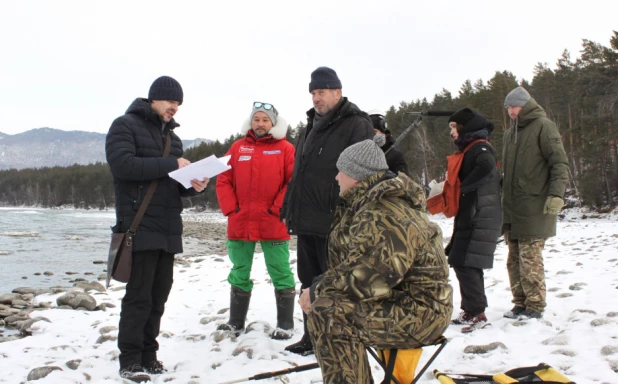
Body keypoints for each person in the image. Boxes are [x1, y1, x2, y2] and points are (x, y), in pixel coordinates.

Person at [299, 139, 453, 384]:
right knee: (327, 304)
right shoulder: (367, 204)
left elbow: (373, 276)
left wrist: (318, 289)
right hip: (397, 301)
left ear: (357, 175)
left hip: (421, 312)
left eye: (342, 171)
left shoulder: (385, 211)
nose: (337, 177)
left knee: (329, 314)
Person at [106, 76, 208, 383]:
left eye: (178, 103)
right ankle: (130, 360)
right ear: (154, 99)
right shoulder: (124, 125)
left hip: (168, 228)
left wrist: (195, 185)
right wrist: (172, 165)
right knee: (138, 298)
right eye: (170, 102)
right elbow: (123, 166)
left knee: (158, 297)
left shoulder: (173, 140)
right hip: (138, 226)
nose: (175, 108)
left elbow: (172, 185)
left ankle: (149, 356)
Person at [281, 66, 374, 355]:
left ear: (338, 91)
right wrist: (289, 206)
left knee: (334, 282)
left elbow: (363, 174)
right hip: (306, 218)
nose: (316, 98)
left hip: (335, 220)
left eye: (321, 92)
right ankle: (312, 337)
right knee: (308, 280)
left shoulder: (356, 123)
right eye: (312, 93)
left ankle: (338, 338)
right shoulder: (311, 124)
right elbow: (300, 171)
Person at [215, 102, 296, 340]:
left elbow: (291, 183)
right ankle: (235, 323)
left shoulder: (285, 148)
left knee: (281, 271)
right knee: (239, 271)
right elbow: (223, 180)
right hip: (241, 222)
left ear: (273, 123)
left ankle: (285, 325)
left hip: (274, 222)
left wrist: (276, 210)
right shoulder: (237, 148)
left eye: (265, 120)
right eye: (256, 119)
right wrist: (232, 210)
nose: (260, 124)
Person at [502, 87, 569, 320]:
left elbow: (559, 164)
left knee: (530, 259)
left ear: (525, 105)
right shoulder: (510, 134)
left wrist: (556, 195)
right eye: (508, 108)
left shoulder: (544, 126)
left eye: (513, 107)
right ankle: (520, 302)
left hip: (535, 206)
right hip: (512, 209)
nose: (510, 112)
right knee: (513, 260)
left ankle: (535, 305)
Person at [440, 108, 501, 333]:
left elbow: (486, 166)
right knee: (462, 260)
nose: (452, 132)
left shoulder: (480, 147)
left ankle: (478, 313)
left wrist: (464, 188)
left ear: (465, 127)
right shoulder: (471, 147)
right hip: (473, 214)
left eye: (454, 127)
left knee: (466, 262)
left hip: (479, 215)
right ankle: (471, 309)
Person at [368, 110, 408, 175]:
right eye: (369, 131)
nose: (372, 135)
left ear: (383, 132)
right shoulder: (363, 154)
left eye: (375, 131)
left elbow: (404, 182)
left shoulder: (395, 156)